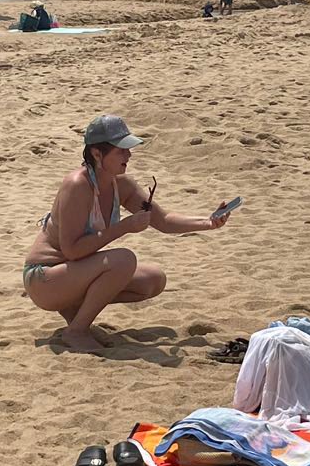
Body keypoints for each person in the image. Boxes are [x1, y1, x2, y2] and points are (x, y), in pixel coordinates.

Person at [21, 114, 233, 352]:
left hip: (73, 274)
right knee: (123, 260)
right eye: (121, 151)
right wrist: (124, 226)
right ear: (97, 153)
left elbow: (164, 221)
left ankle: (74, 310)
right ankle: (77, 330)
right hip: (44, 279)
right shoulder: (77, 185)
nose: (128, 155)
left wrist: (208, 222)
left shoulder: (120, 184)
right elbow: (71, 250)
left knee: (153, 279)